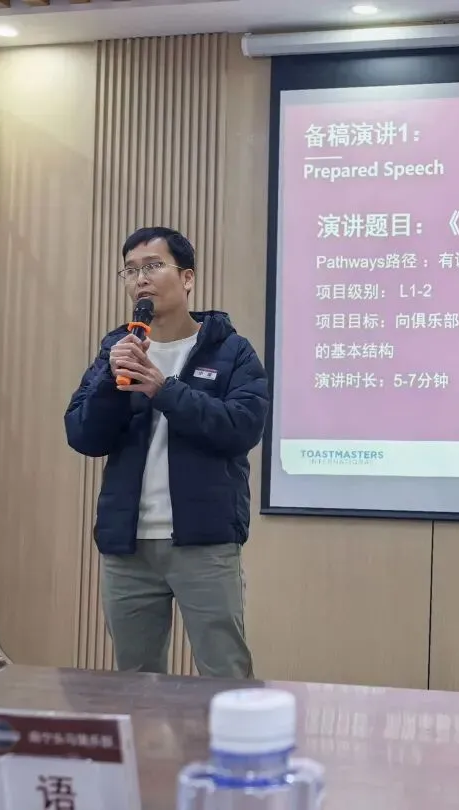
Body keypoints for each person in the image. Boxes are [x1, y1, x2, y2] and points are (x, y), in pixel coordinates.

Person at [64, 226, 268, 678]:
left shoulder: (231, 350)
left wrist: (165, 390)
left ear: (187, 277)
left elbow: (242, 427)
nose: (140, 278)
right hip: (128, 545)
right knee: (136, 679)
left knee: (225, 675)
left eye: (153, 266)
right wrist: (109, 382)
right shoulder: (116, 350)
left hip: (205, 541)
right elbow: (82, 435)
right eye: (130, 270)